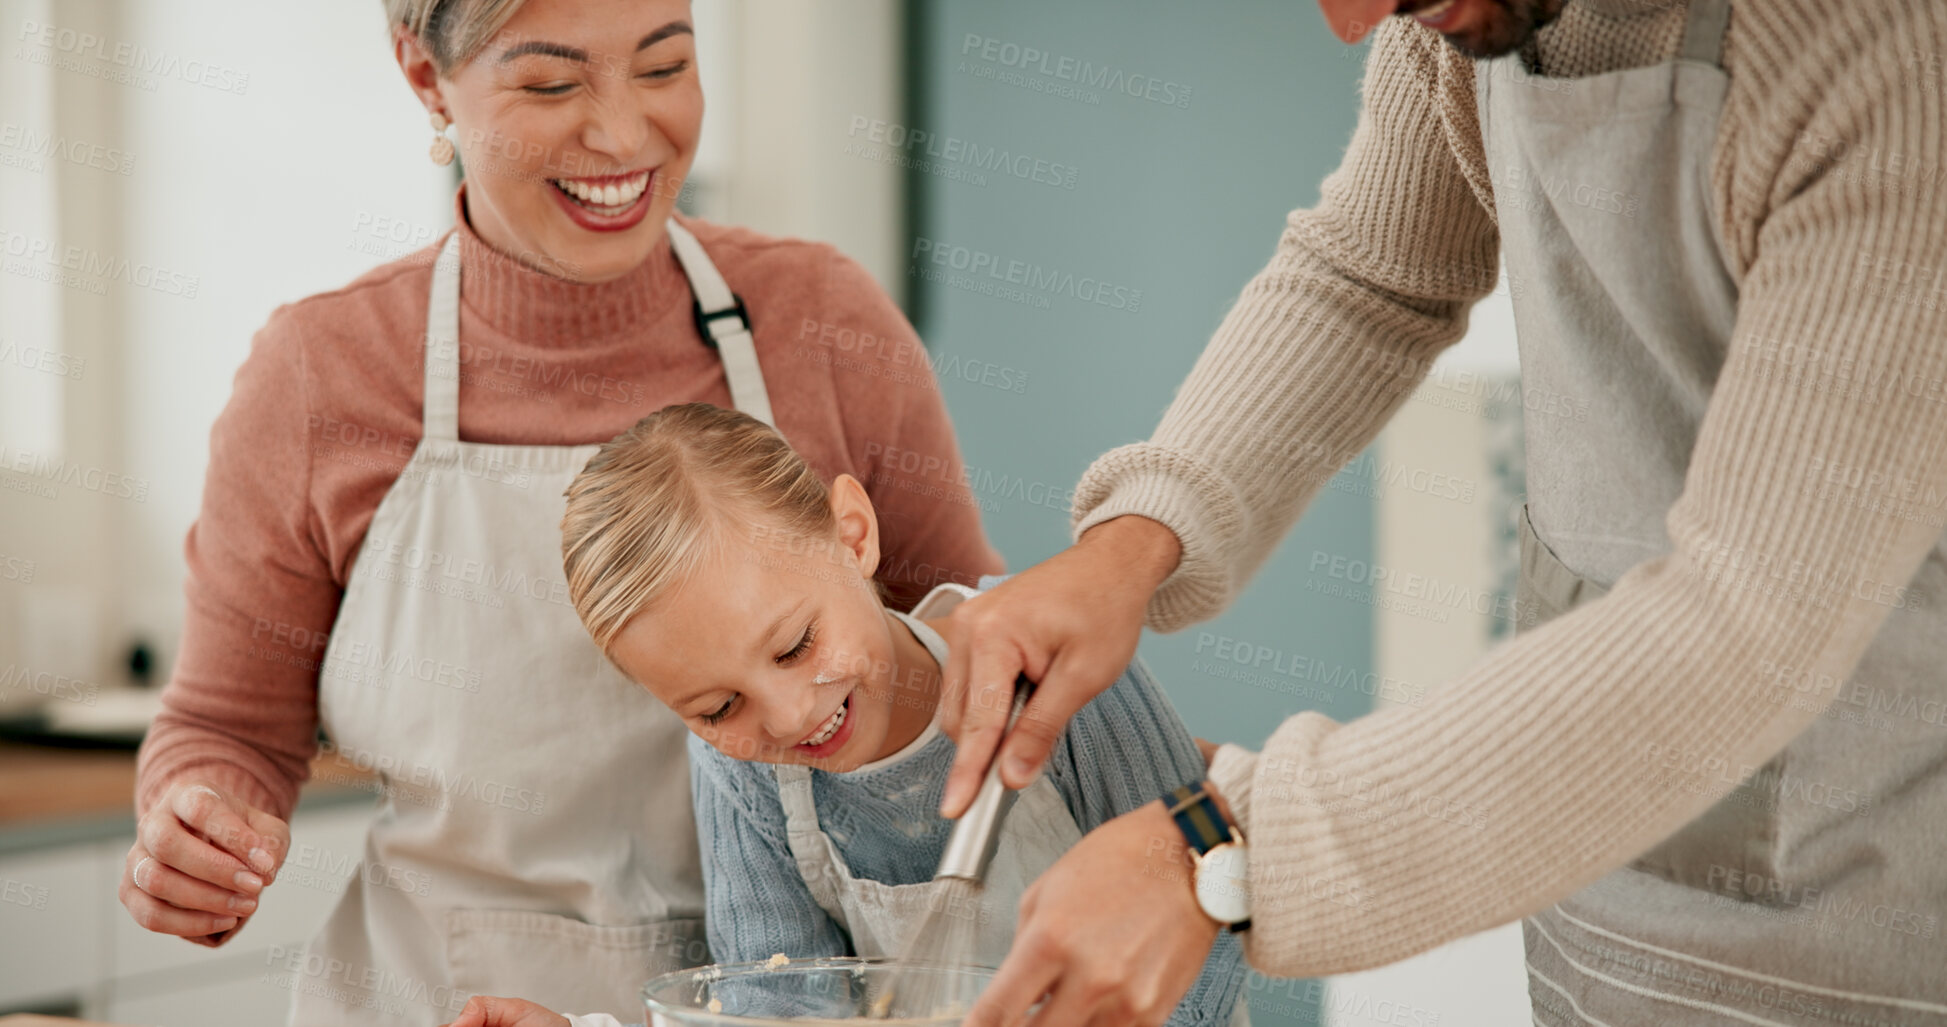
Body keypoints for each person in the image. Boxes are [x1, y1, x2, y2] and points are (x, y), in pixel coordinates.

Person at [940, 0, 1947, 1025]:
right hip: (1590, 900)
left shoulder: (1883, 56)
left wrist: (1229, 847)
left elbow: (1749, 623)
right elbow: (1374, 273)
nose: (1353, 24)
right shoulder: (1448, 22)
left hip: (1856, 931)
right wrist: (1136, 539)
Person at [120, 1, 1001, 1023]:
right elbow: (227, 727)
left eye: (665, 67)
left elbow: (975, 653)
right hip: (434, 1001)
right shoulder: (321, 375)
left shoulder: (824, 321)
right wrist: (200, 827)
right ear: (424, 77)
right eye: (552, 83)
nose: (624, 138)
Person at [438, 403, 1250, 1027]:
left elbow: (1204, 907)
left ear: (852, 535)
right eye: (719, 706)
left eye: (794, 645)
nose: (789, 717)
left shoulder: (1044, 661)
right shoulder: (744, 772)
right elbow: (773, 1011)